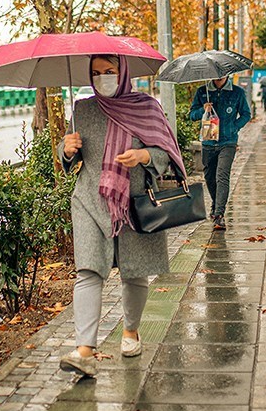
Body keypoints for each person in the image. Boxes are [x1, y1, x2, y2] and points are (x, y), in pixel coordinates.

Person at [57, 54, 186, 377]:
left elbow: (167, 153)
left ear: (123, 72)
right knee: (88, 272)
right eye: (96, 73)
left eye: (110, 71)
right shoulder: (83, 110)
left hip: (135, 201)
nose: (103, 78)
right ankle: (85, 349)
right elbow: (68, 161)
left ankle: (131, 332)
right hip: (89, 200)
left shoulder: (147, 108)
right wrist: (66, 149)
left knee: (134, 271)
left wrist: (144, 155)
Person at [189, 74, 252, 230]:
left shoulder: (237, 92)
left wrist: (234, 127)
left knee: (222, 175)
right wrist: (202, 110)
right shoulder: (202, 91)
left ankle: (219, 215)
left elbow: (246, 114)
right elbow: (192, 115)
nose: (218, 76)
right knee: (210, 177)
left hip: (228, 142)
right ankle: (216, 205)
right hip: (208, 140)